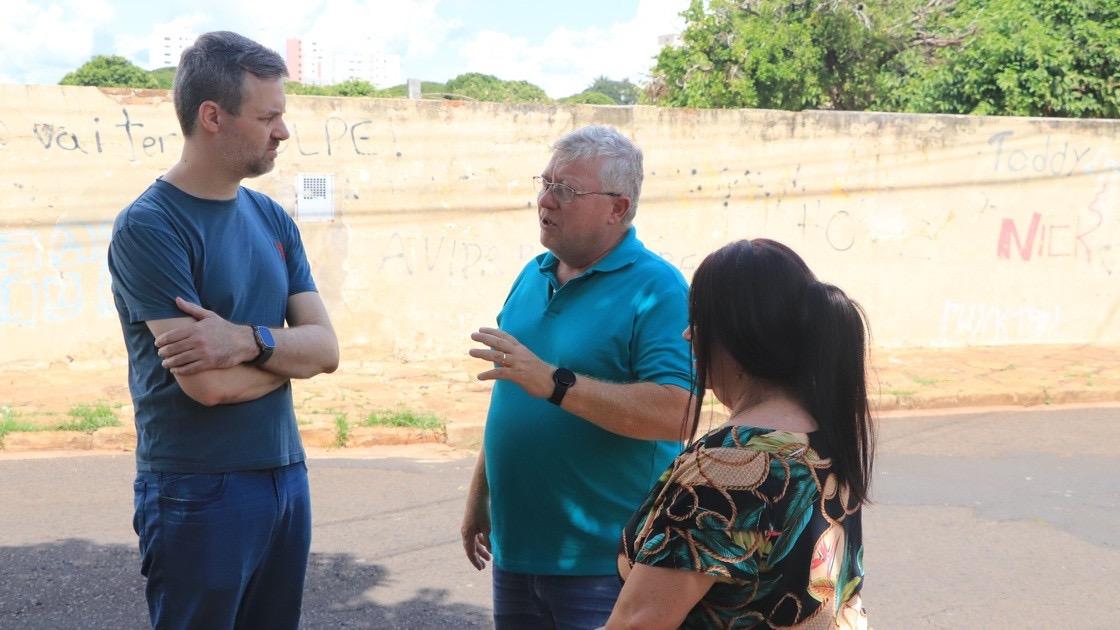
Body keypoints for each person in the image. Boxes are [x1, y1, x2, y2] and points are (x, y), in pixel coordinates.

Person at [107, 31, 338, 629]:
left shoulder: (271, 217)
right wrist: (291, 360)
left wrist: (250, 342)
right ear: (212, 116)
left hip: (286, 474)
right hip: (197, 490)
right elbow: (209, 388)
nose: (282, 131)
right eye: (268, 116)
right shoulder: (149, 227)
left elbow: (328, 348)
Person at [462, 125, 693, 629]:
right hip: (519, 552)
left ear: (617, 207)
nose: (546, 199)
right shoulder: (532, 274)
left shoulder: (657, 288)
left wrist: (555, 383)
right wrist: (480, 496)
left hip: (607, 564)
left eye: (566, 190)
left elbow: (678, 412)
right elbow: (510, 392)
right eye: (545, 183)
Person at [606, 239, 874, 629]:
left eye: (697, 321)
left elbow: (638, 622)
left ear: (731, 335)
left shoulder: (729, 465)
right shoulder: (822, 437)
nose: (686, 336)